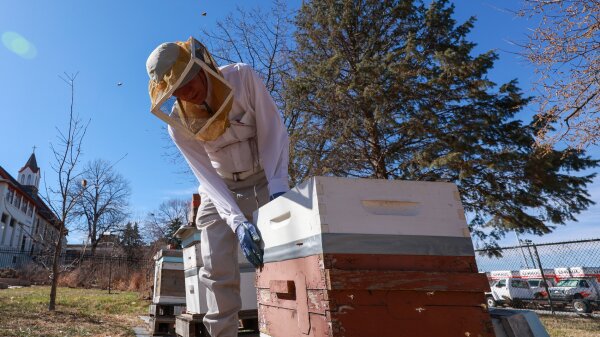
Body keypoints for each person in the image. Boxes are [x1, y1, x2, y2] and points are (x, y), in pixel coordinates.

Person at [146, 37, 289, 337]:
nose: (186, 92)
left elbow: (273, 130)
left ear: (201, 66)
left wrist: (278, 190)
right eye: (176, 90)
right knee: (216, 270)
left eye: (187, 80)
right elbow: (206, 176)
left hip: (265, 178)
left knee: (284, 257)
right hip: (220, 188)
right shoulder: (177, 124)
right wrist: (236, 221)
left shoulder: (243, 77)